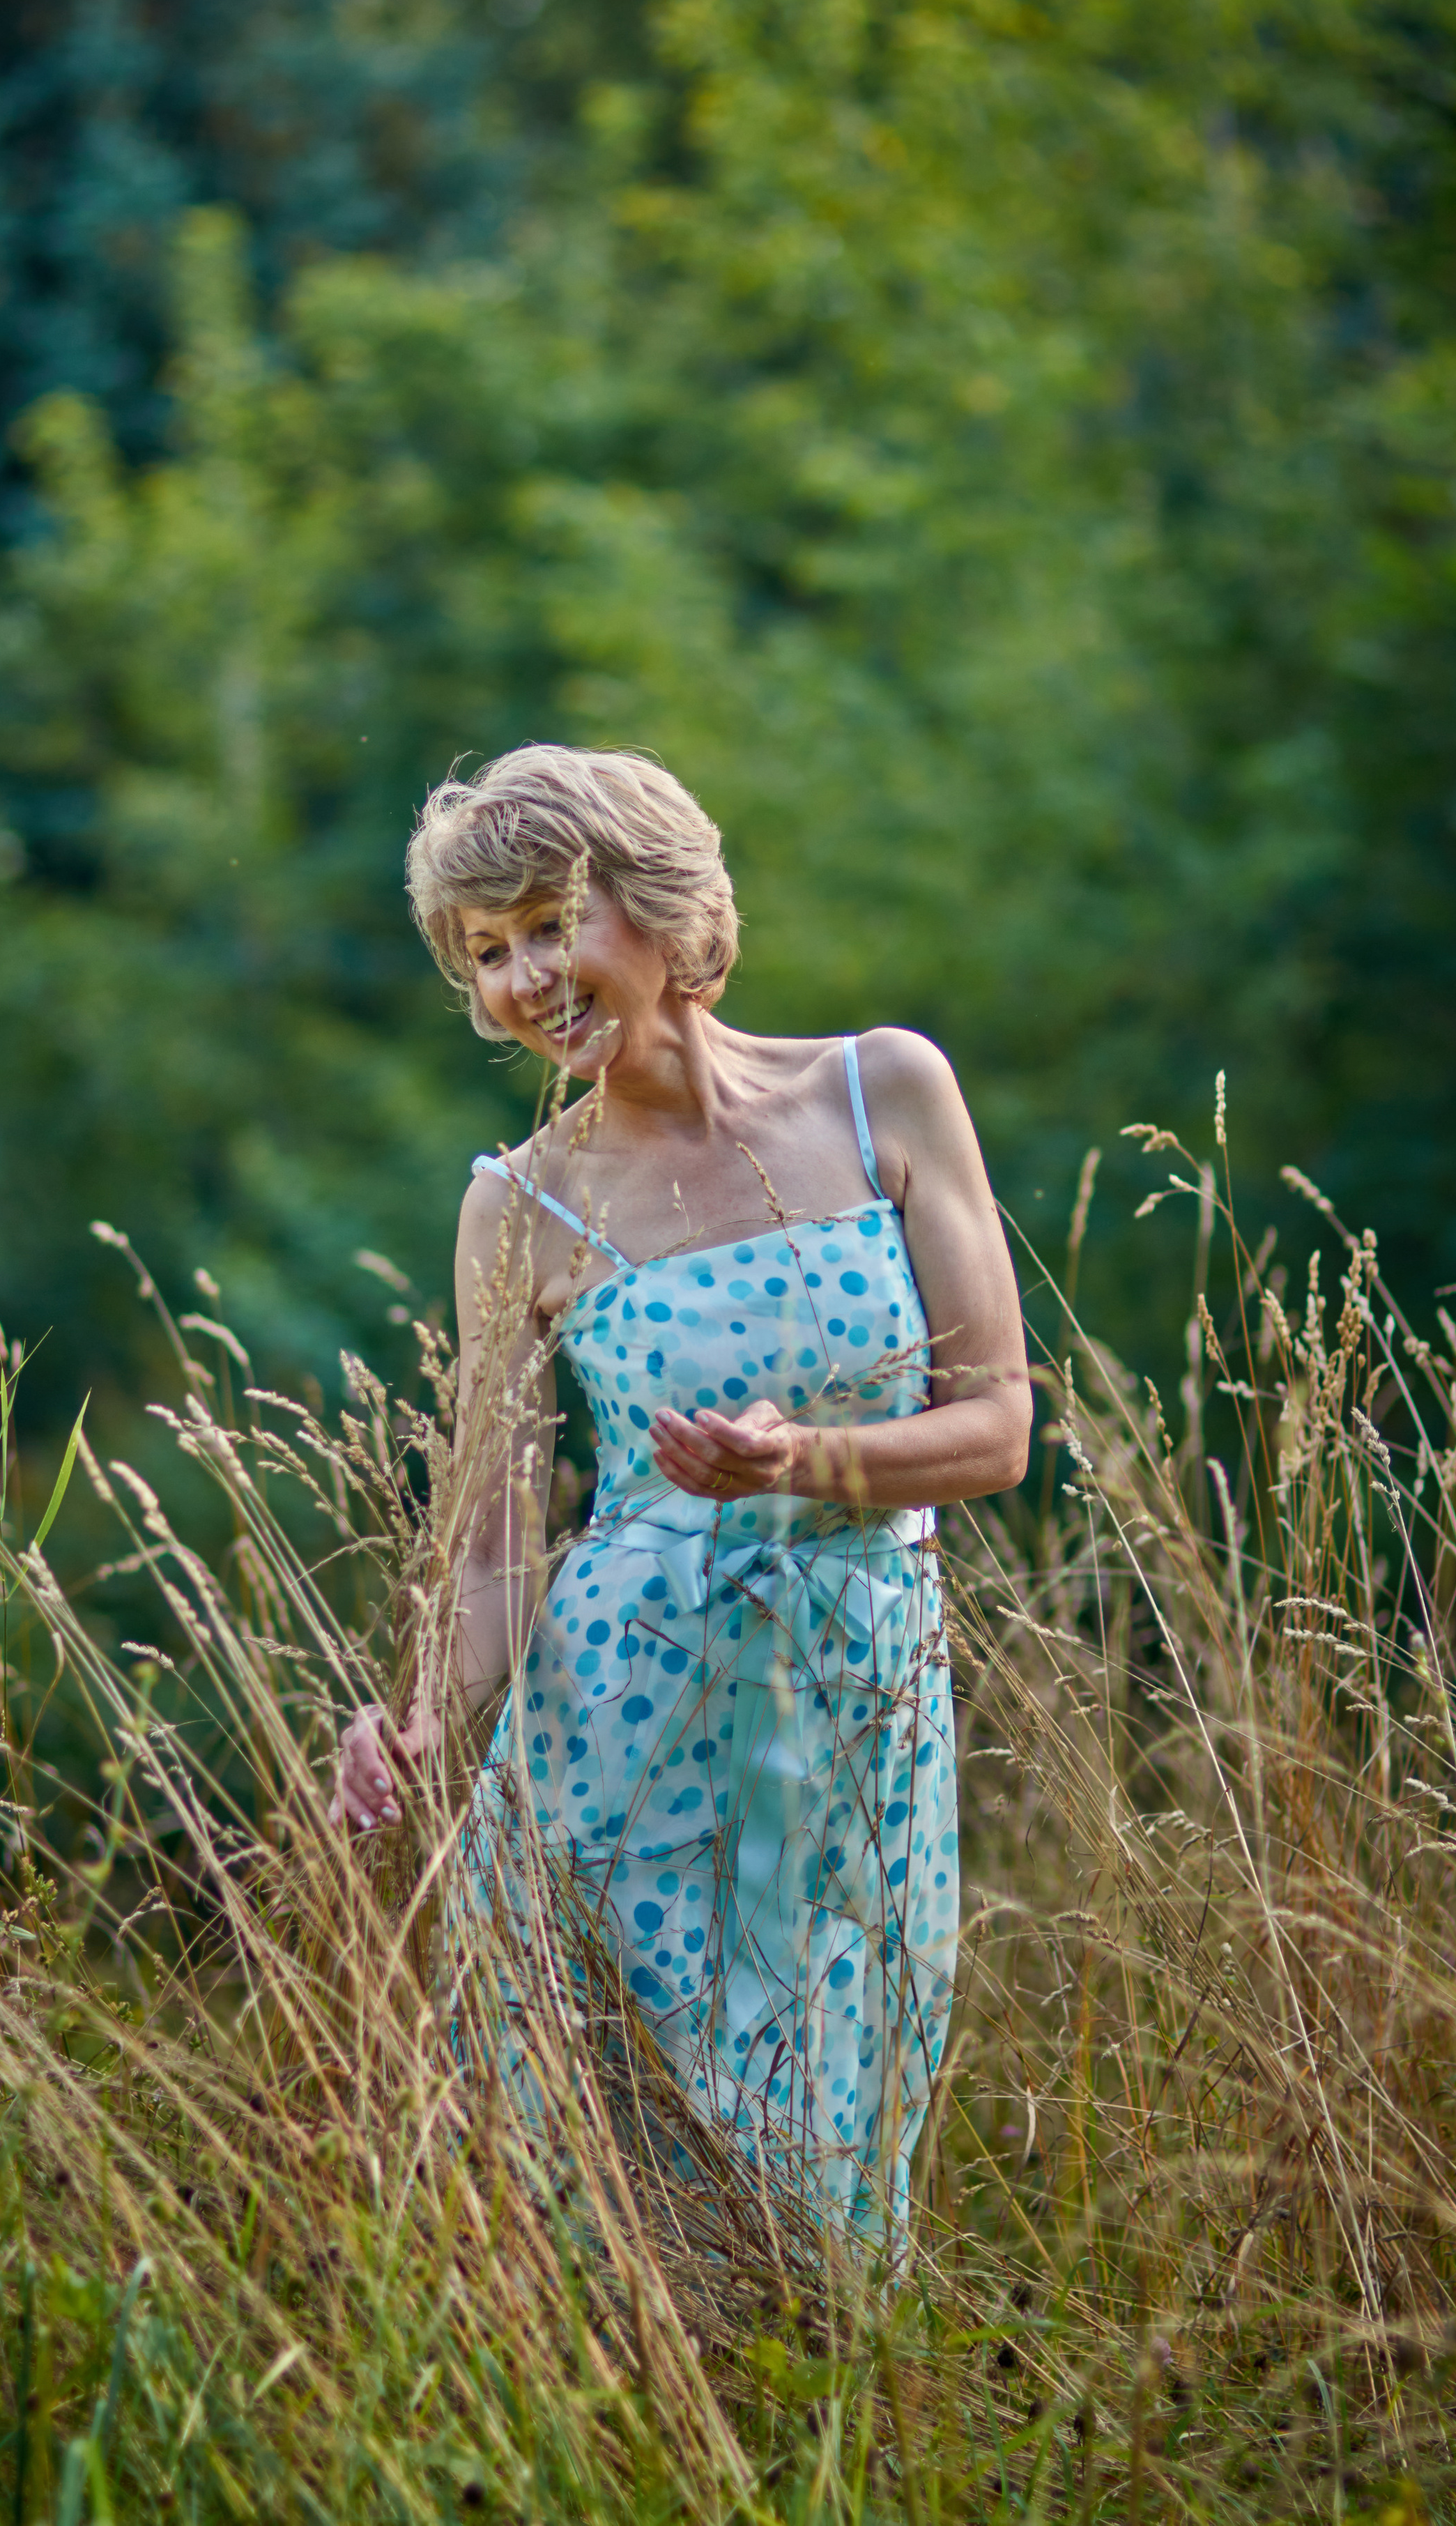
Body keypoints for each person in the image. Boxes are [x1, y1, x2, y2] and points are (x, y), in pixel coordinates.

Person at [330, 744, 1030, 2243]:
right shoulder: (513, 1201)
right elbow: (497, 1540)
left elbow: (994, 1430)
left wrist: (808, 1464)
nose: (526, 976)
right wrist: (416, 1723)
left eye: (547, 922)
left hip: (852, 1699)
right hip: (611, 1726)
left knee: (834, 2162)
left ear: (653, 905)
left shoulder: (881, 1089)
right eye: (488, 950)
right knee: (603, 2179)